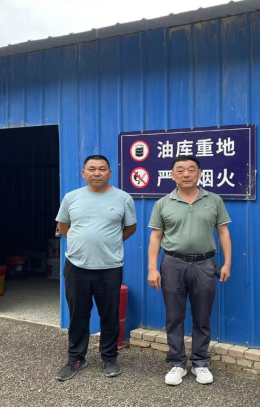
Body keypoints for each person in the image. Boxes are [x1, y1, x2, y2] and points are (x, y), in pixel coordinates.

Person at [147, 155, 232, 385]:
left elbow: (223, 232)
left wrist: (227, 263)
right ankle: (177, 363)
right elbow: (155, 238)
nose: (186, 174)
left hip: (204, 264)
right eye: (180, 170)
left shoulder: (213, 200)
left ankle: (200, 363)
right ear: (172, 175)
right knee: (174, 316)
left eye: (191, 169)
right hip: (172, 264)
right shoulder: (163, 203)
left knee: (202, 315)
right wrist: (152, 268)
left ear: (200, 173)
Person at [55, 155, 137, 381]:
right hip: (76, 266)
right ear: (84, 173)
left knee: (109, 314)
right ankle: (76, 358)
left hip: (109, 267)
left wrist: (108, 244)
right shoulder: (71, 197)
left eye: (102, 169)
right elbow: (63, 226)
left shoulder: (123, 198)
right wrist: (82, 243)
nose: (97, 173)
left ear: (110, 173)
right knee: (78, 315)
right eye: (92, 169)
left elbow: (130, 227)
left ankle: (109, 358)